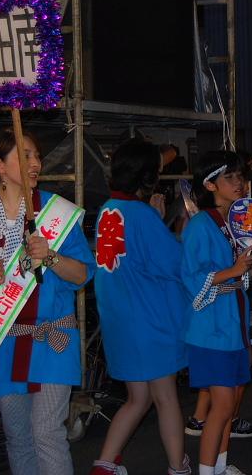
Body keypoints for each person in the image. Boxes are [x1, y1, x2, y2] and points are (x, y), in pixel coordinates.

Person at [0, 129, 94, 475]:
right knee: (18, 438)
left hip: (53, 338)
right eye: (25, 156)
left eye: (37, 155)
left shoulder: (57, 213)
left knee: (48, 434)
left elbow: (83, 274)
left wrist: (51, 256)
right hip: (3, 343)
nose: (35, 163)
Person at [90, 139, 189, 475]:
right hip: (150, 321)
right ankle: (178, 467)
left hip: (121, 320)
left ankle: (104, 465)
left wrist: (154, 220)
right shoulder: (142, 215)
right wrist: (176, 227)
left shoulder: (108, 209)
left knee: (138, 399)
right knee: (165, 397)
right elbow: (174, 263)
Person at [181, 151, 252, 475]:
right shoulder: (201, 224)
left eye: (240, 176)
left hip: (232, 324)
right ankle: (206, 471)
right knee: (224, 405)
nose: (238, 183)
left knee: (229, 405)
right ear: (210, 184)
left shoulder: (234, 223)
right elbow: (191, 277)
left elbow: (238, 275)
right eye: (229, 177)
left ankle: (220, 465)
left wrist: (250, 265)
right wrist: (235, 270)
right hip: (210, 329)